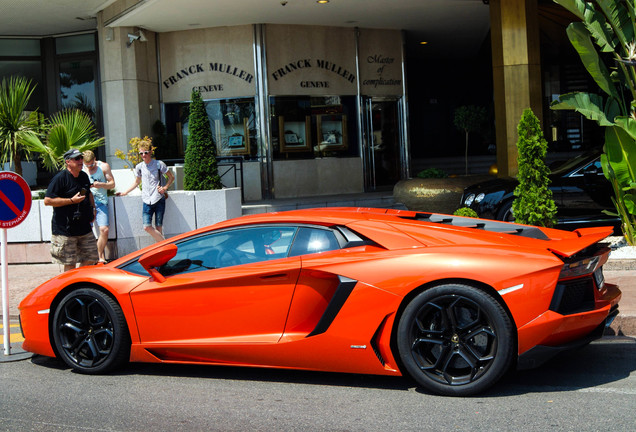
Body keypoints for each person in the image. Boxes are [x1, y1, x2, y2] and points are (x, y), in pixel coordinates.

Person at [44, 148, 98, 272]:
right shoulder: (60, 178)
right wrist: (71, 201)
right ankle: (71, 287)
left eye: (81, 158)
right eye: (77, 158)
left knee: (91, 257)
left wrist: (93, 209)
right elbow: (47, 201)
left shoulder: (84, 176)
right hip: (65, 230)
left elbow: (89, 193)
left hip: (84, 227)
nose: (80, 161)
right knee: (69, 263)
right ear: (68, 161)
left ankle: (79, 281)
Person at [118, 142, 174, 243]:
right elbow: (137, 182)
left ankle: (162, 252)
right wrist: (125, 192)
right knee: (146, 226)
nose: (143, 155)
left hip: (158, 197)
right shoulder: (139, 167)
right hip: (146, 199)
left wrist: (164, 188)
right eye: (141, 153)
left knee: (158, 227)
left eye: (146, 153)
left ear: (151, 152)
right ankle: (165, 244)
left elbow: (171, 177)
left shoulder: (159, 164)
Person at [82, 150, 115, 263]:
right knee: (85, 230)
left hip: (101, 202)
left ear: (95, 159)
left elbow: (112, 184)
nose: (89, 167)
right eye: (87, 165)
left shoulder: (103, 166)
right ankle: (90, 258)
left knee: (104, 229)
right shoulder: (80, 168)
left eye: (91, 164)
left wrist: (101, 184)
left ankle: (100, 256)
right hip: (86, 203)